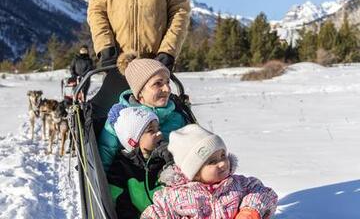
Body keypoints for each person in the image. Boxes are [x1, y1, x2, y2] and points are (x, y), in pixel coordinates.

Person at [141, 124, 278, 219]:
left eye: (223, 155)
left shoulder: (238, 184)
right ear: (194, 172)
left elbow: (263, 193)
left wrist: (250, 211)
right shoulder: (174, 197)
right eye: (212, 162)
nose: (223, 163)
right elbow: (155, 214)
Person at [87, 0, 191, 93]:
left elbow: (180, 12)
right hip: (116, 65)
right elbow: (96, 11)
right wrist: (106, 49)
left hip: (155, 66)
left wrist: (167, 53)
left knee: (159, 110)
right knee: (112, 109)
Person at [98, 53, 186, 172]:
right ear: (139, 92)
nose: (167, 89)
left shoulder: (176, 117)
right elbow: (106, 150)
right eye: (158, 83)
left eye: (167, 83)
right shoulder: (121, 118)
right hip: (131, 177)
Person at [106, 106, 173, 218]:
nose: (159, 133)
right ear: (133, 141)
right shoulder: (121, 168)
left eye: (158, 128)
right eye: (151, 130)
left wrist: (171, 159)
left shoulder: (165, 156)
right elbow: (122, 206)